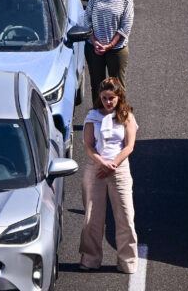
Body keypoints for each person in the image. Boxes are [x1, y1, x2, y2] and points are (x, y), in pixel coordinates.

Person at [78, 78, 138, 273]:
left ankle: (127, 262)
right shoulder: (92, 116)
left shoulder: (126, 116)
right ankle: (90, 259)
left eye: (111, 98)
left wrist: (113, 164)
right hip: (96, 168)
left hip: (119, 169)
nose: (108, 102)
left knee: (125, 217)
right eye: (104, 98)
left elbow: (129, 146)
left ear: (119, 97)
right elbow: (88, 145)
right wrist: (102, 163)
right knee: (92, 217)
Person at [84, 0, 135, 100]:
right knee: (97, 86)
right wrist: (94, 42)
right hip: (94, 48)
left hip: (116, 50)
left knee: (117, 87)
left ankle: (119, 118)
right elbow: (87, 18)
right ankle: (98, 118)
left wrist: (110, 45)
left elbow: (126, 26)